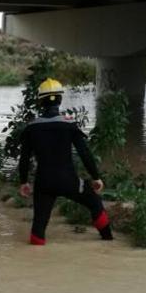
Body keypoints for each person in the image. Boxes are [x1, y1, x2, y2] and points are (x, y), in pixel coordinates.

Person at [18, 78, 114, 244]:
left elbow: (24, 158)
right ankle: (108, 241)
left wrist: (24, 182)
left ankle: (35, 254)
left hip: (44, 184)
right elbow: (85, 153)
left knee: (39, 225)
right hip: (69, 181)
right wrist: (96, 177)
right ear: (60, 100)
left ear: (40, 101)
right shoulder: (69, 126)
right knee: (94, 202)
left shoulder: (31, 128)